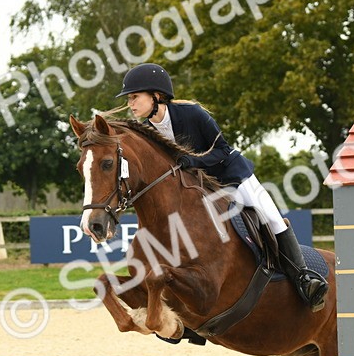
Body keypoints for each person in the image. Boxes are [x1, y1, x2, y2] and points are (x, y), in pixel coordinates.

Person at [116, 62, 328, 311]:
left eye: (134, 97)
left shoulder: (192, 114)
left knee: (271, 218)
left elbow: (222, 151)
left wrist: (194, 161)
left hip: (232, 177)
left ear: (157, 95)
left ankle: (304, 278)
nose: (130, 104)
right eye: (130, 99)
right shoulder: (149, 130)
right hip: (201, 188)